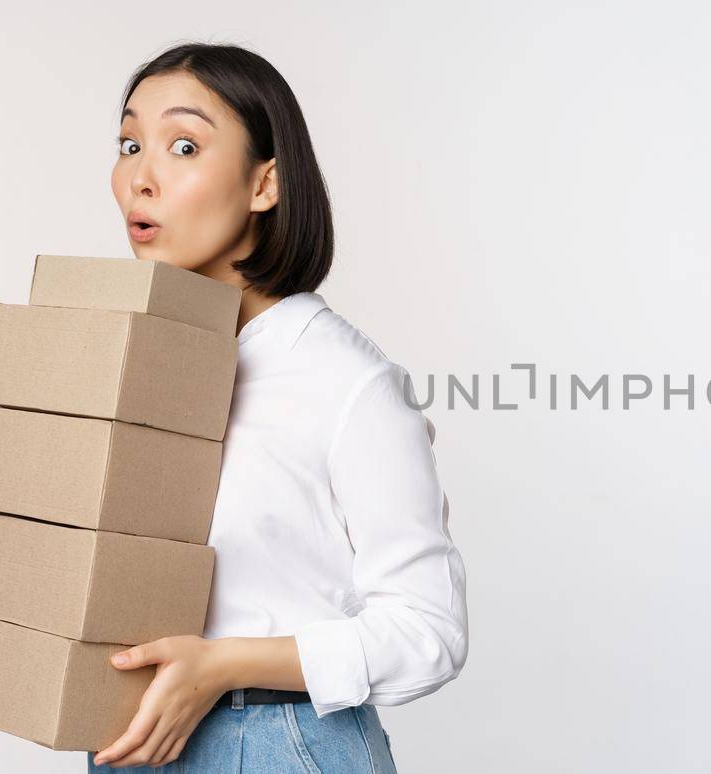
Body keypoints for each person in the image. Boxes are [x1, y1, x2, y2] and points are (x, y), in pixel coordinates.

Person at [88, 42, 469, 771]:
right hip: (133, 737)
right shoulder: (141, 364)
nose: (140, 177)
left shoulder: (348, 382)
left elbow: (430, 632)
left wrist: (225, 665)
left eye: (183, 145)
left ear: (264, 184)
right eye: (130, 143)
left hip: (278, 743)